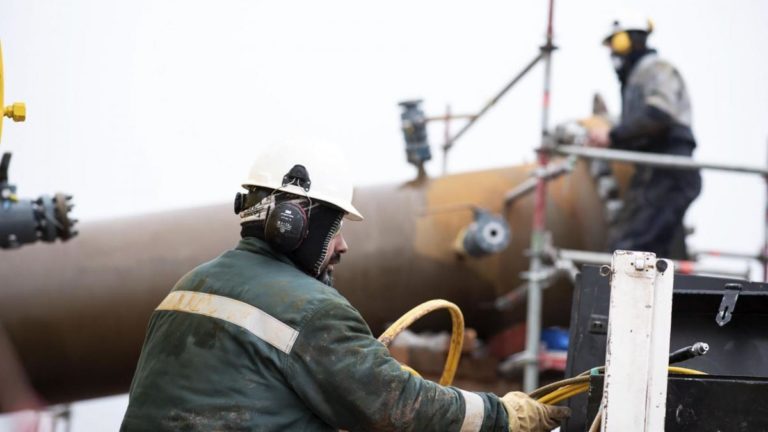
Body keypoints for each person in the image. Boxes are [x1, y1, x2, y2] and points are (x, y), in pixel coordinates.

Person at [120, 144, 569, 431]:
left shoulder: (188, 287)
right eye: (334, 228)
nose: (342, 246)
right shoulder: (312, 309)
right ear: (296, 223)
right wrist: (503, 415)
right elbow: (403, 407)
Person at [588, 13, 701, 258]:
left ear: (626, 41)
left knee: (634, 247)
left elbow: (660, 114)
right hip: (653, 171)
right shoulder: (636, 77)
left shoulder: (655, 69)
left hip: (669, 169)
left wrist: (614, 134)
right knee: (630, 244)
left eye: (613, 45)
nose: (612, 54)